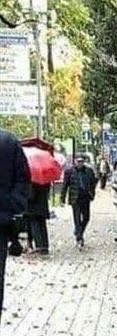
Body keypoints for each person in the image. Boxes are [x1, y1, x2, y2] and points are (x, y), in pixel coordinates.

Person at [0, 129, 30, 324]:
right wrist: (12, 207)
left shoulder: (7, 142)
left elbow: (22, 180)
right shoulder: (9, 141)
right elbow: (23, 180)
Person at [60, 155, 96, 248]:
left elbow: (93, 183)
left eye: (81, 161)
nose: (80, 163)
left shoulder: (89, 171)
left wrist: (92, 194)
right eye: (78, 161)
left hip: (85, 197)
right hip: (75, 198)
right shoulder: (69, 171)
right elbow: (65, 186)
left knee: (86, 217)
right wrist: (62, 199)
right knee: (77, 218)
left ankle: (79, 231)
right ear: (75, 161)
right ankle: (79, 238)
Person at [26, 182, 51, 254]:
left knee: (35, 226)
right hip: (43, 205)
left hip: (34, 207)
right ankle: (45, 246)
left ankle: (39, 246)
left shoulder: (33, 180)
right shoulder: (45, 179)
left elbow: (31, 196)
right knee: (43, 226)